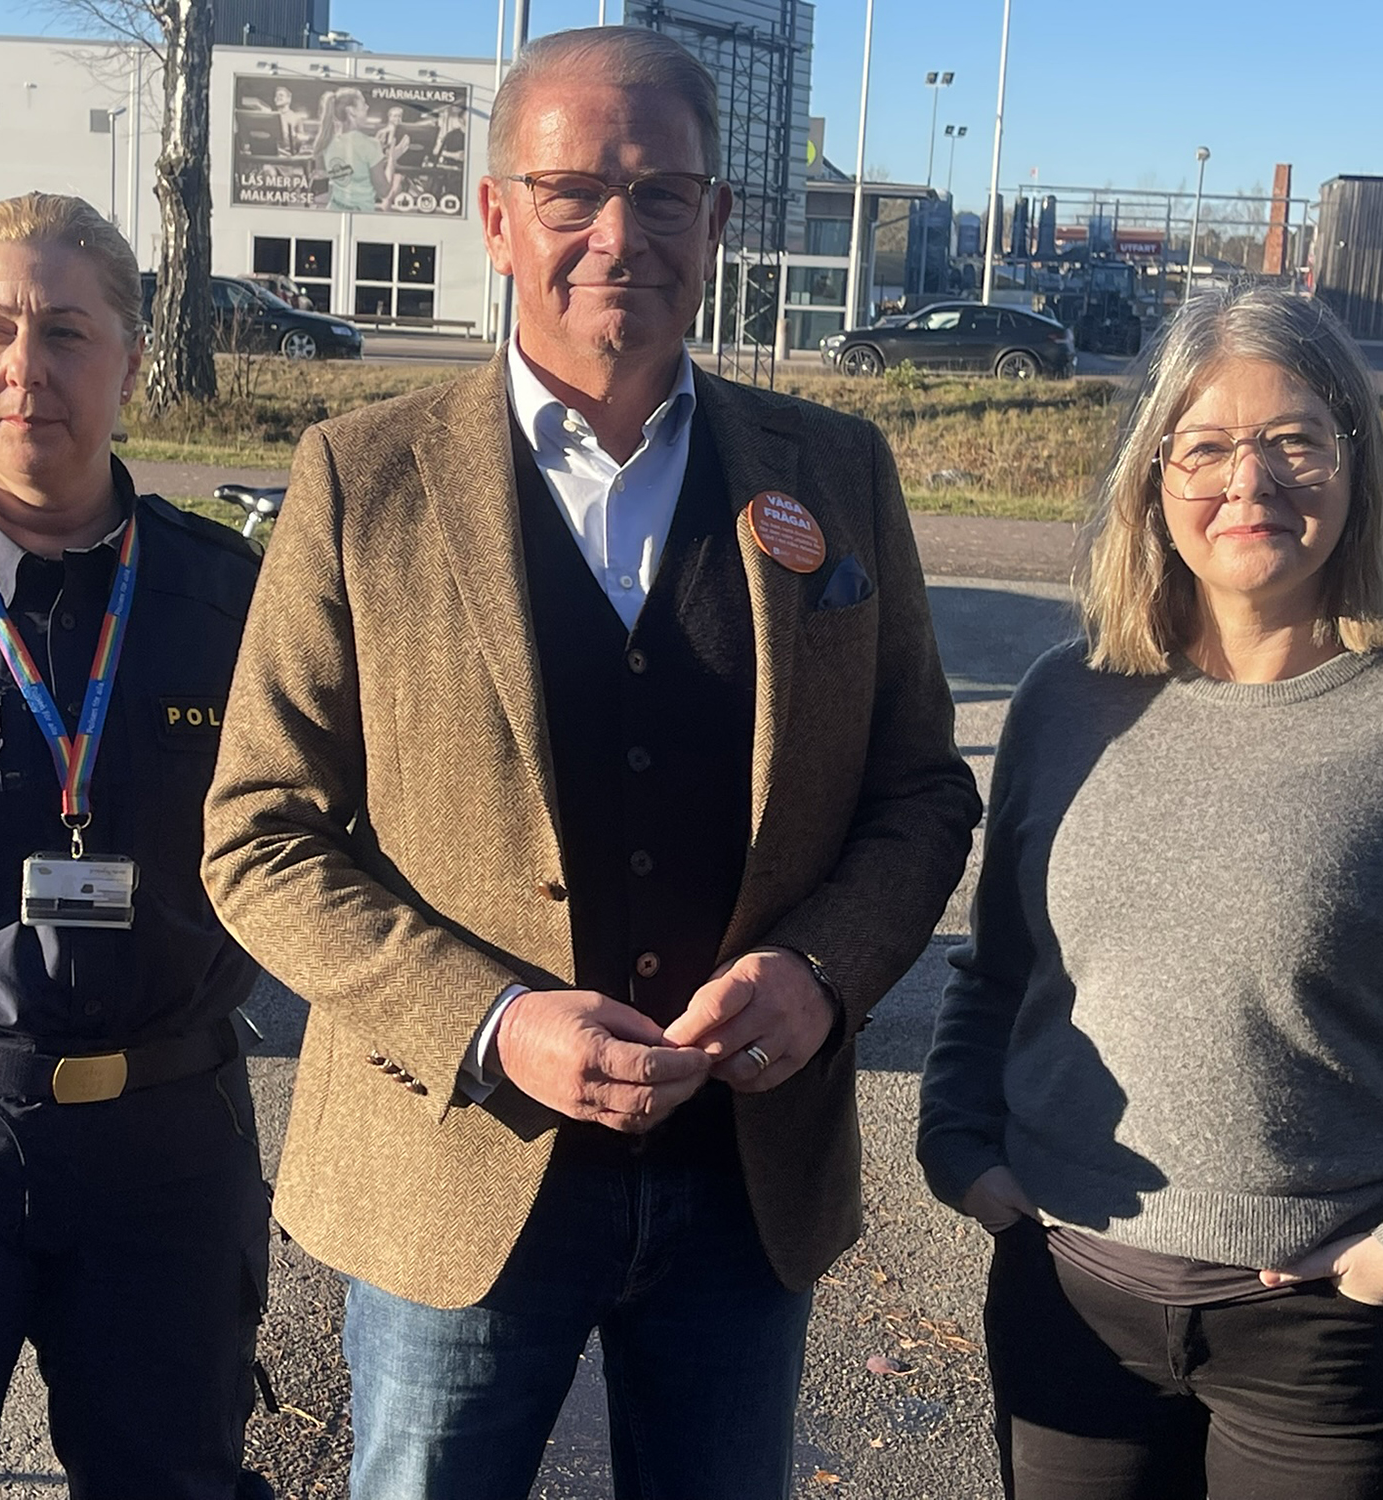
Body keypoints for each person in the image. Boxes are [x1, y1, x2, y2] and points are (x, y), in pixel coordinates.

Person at [204, 26, 978, 1500]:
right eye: (571, 194)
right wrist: (492, 1021)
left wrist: (821, 974)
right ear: (497, 219)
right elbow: (259, 832)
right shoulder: (359, 478)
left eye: (662, 193)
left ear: (719, 222)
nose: (618, 234)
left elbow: (922, 791)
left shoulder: (835, 476)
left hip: (741, 1181)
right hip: (458, 1166)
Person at [918, 284, 1383, 1500]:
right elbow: (1002, 963)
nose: (1254, 483)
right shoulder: (1065, 697)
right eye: (1210, 447)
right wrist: (959, 1143)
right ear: (1151, 476)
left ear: (1353, 460)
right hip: (1070, 1297)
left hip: (1319, 1327)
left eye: (1294, 441)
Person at [0, 193, 271, 1499]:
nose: (26, 368)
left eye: (65, 331)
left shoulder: (237, 605)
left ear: (130, 358)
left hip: (167, 1146)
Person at [309, 87, 385, 212]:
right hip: (362, 216)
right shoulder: (372, 145)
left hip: (333, 211)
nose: (367, 107)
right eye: (363, 104)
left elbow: (326, 176)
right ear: (351, 111)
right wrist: (392, 160)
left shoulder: (326, 143)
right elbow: (384, 191)